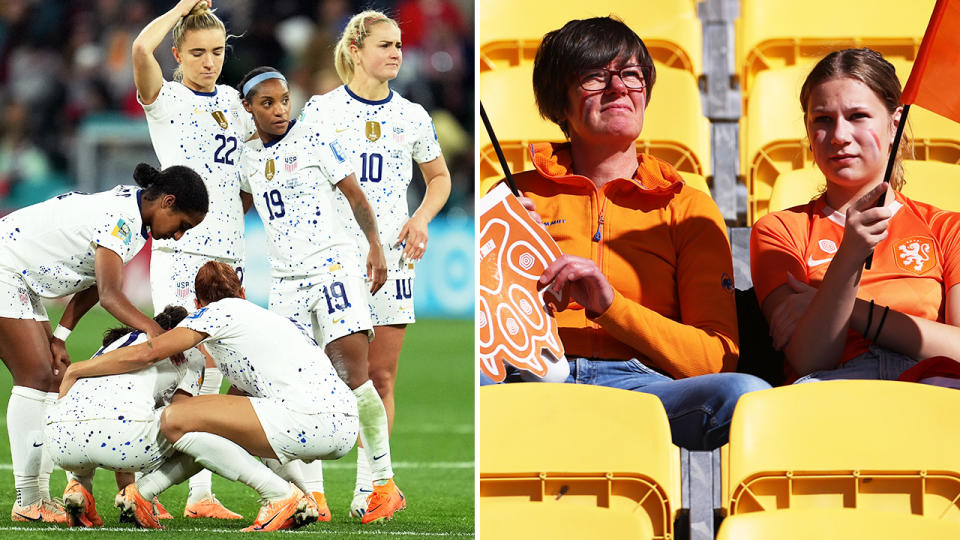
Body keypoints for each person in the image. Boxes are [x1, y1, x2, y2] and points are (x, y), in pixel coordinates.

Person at [482, 16, 769, 451]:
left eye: (631, 75)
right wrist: (505, 262)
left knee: (746, 395)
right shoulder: (512, 196)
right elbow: (481, 329)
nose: (618, 88)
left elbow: (716, 358)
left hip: (646, 390)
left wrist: (610, 307)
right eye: (596, 76)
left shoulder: (688, 207)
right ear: (559, 102)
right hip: (532, 375)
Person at [58, 261, 360, 531]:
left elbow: (151, 352)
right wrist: (305, 491)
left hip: (305, 417)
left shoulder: (216, 313)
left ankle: (280, 496)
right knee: (206, 427)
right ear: (242, 291)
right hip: (343, 424)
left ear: (197, 303)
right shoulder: (267, 323)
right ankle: (141, 495)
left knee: (176, 418)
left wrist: (78, 369)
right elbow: (225, 428)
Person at [237, 65, 404, 524]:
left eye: (283, 100)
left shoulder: (313, 139)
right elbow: (239, 208)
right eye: (266, 103)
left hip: (332, 267)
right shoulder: (247, 159)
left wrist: (375, 247)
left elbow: (355, 195)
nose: (278, 110)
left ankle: (383, 484)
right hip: (285, 283)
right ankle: (313, 496)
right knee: (293, 387)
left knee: (355, 376)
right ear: (248, 108)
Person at [300, 9, 451, 517]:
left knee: (382, 378)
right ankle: (313, 491)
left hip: (394, 256)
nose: (396, 53)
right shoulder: (321, 111)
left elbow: (440, 179)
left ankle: (372, 488)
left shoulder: (413, 115)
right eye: (386, 45)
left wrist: (423, 218)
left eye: (400, 45)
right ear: (357, 50)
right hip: (333, 257)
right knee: (323, 377)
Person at [0, 162, 207, 522]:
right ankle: (29, 501)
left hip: (19, 276)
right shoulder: (122, 219)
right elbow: (112, 295)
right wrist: (155, 332)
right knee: (36, 378)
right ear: (167, 202)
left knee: (49, 374)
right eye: (182, 226)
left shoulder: (132, 218)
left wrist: (61, 335)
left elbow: (95, 284)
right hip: (7, 268)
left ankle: (37, 498)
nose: (178, 237)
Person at [750, 48, 960, 382]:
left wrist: (854, 312)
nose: (839, 136)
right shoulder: (779, 231)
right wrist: (850, 253)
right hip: (833, 391)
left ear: (894, 124)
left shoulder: (948, 229)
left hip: (934, 386)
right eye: (822, 119)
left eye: (858, 116)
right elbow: (809, 360)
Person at [131, 0, 254, 519]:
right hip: (183, 250)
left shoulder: (233, 101)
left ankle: (199, 497)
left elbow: (245, 179)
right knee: (174, 365)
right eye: (198, 52)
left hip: (230, 253)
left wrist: (231, 217)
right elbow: (140, 47)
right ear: (177, 53)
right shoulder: (166, 100)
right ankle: (137, 478)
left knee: (213, 371)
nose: (210, 61)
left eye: (218, 51)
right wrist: (181, 6)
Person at [45, 305, 197, 527]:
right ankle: (142, 495)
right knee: (197, 432)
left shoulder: (116, 342)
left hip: (60, 443)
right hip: (126, 438)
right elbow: (182, 414)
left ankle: (79, 489)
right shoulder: (189, 354)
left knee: (109, 417)